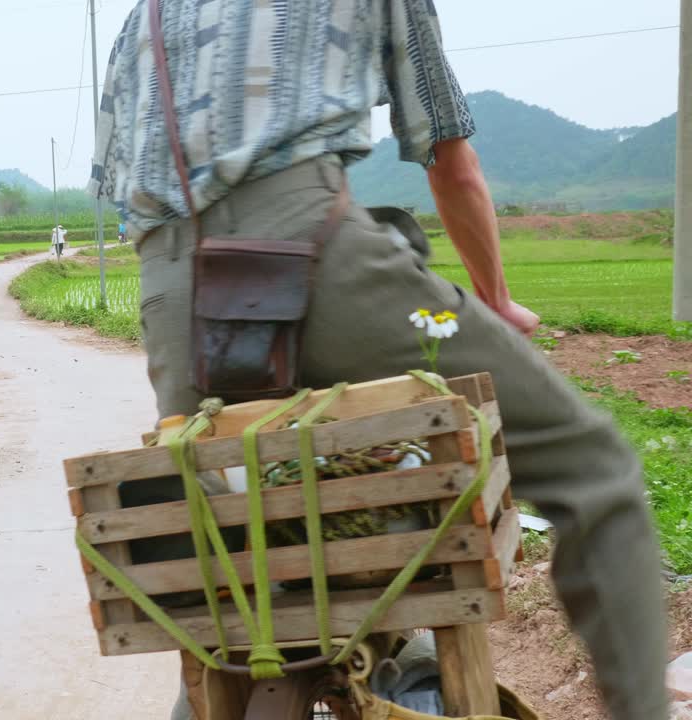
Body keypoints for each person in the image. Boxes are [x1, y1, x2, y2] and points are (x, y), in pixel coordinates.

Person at [89, 2, 667, 720]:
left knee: (227, 574)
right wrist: (495, 299)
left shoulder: (141, 18)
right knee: (595, 469)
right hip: (306, 249)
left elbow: (116, 186)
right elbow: (448, 159)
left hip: (171, 293)